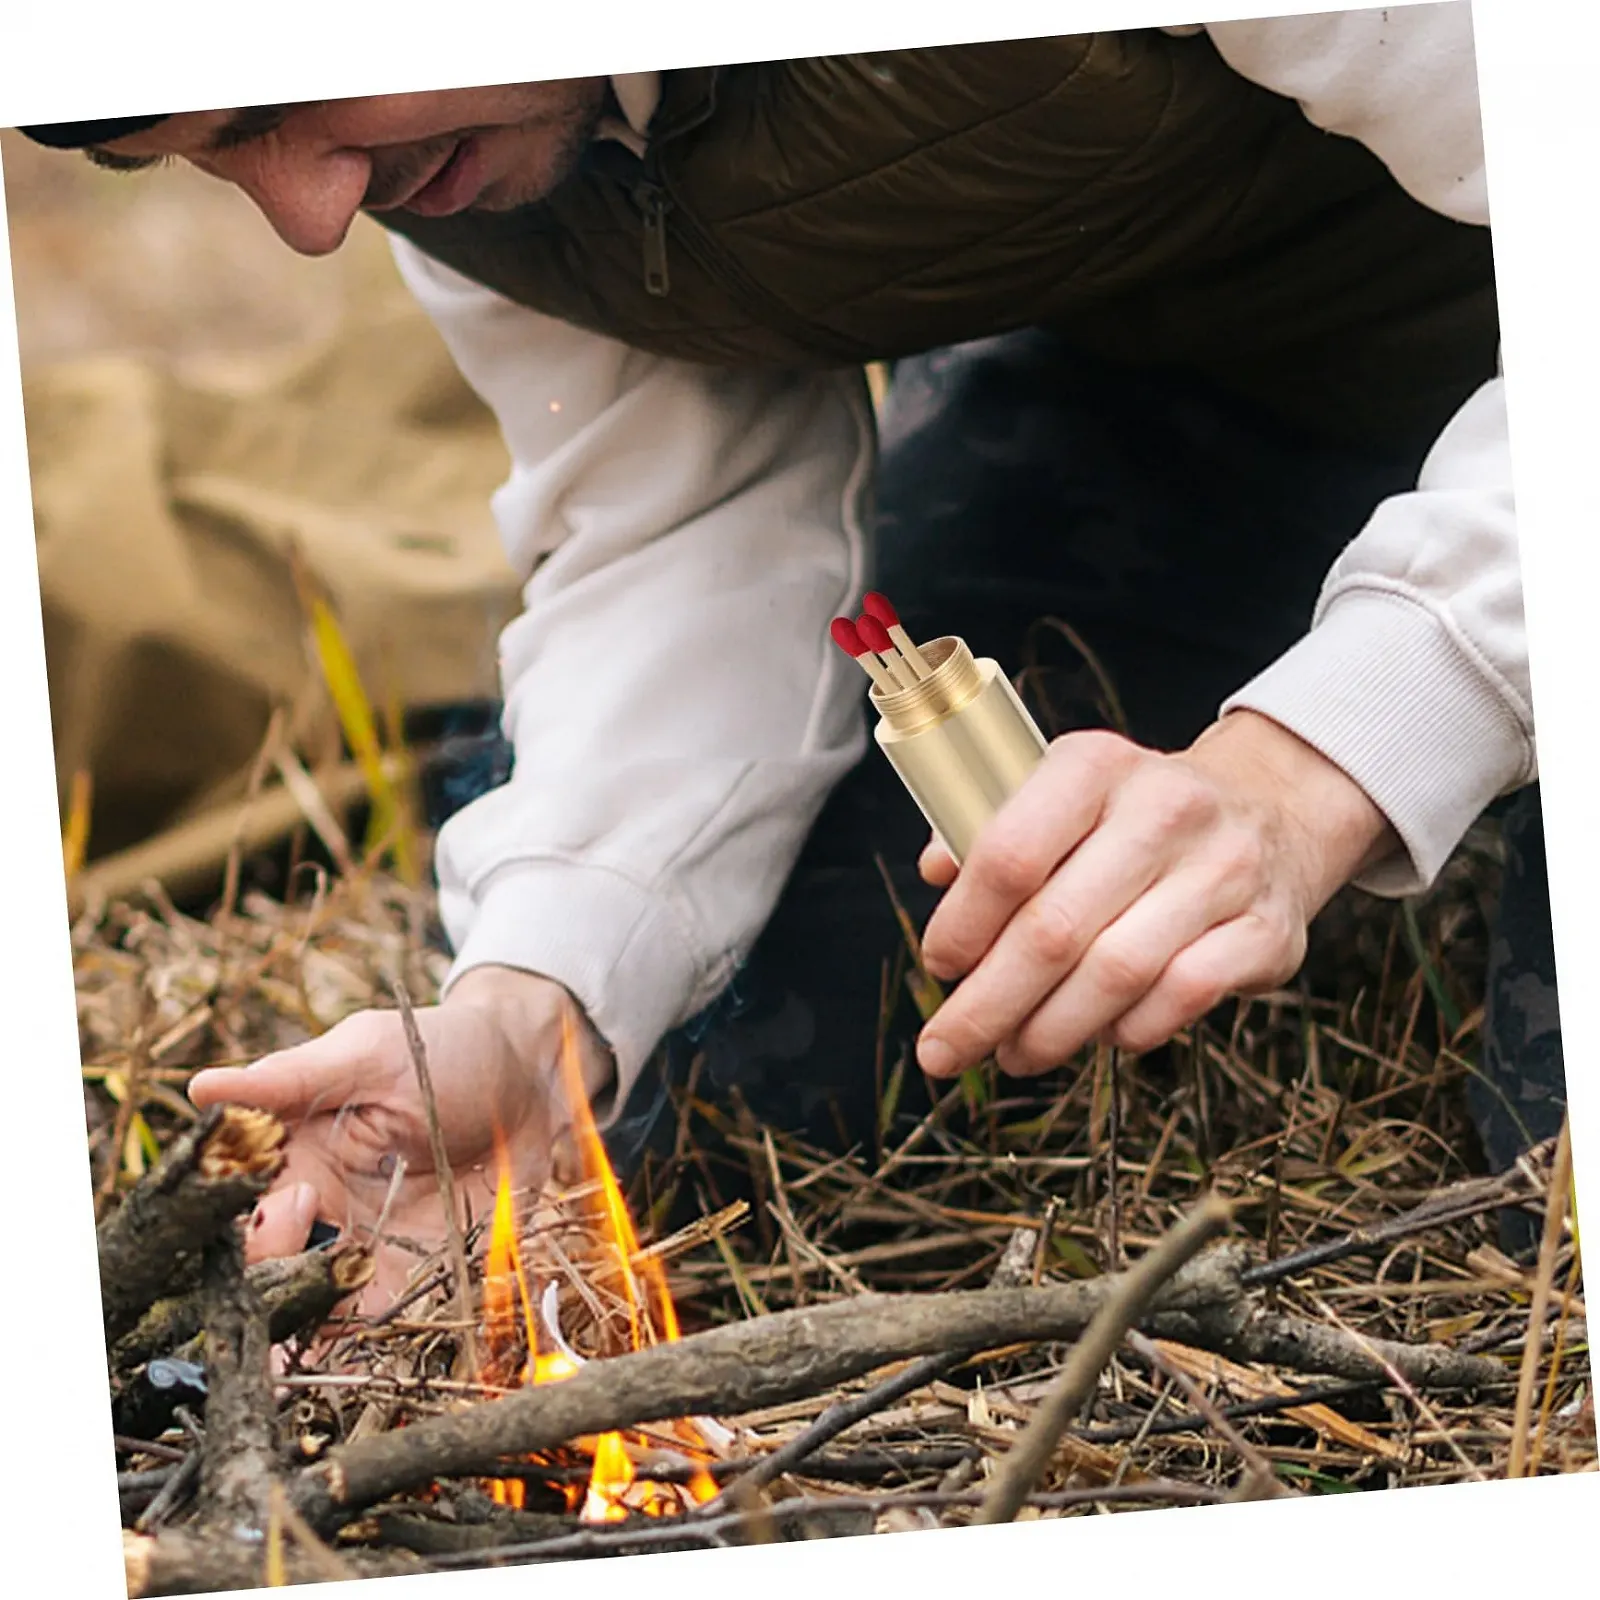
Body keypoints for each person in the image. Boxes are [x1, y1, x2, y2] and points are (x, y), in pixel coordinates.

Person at [21, 5, 1564, 1299]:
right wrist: (530, 1013)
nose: (310, 214)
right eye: (224, 156)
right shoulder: (447, 146)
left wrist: (1314, 765)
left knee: (1552, 1207)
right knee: (774, 1097)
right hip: (1234, 396)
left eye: (291, 102)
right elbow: (679, 515)